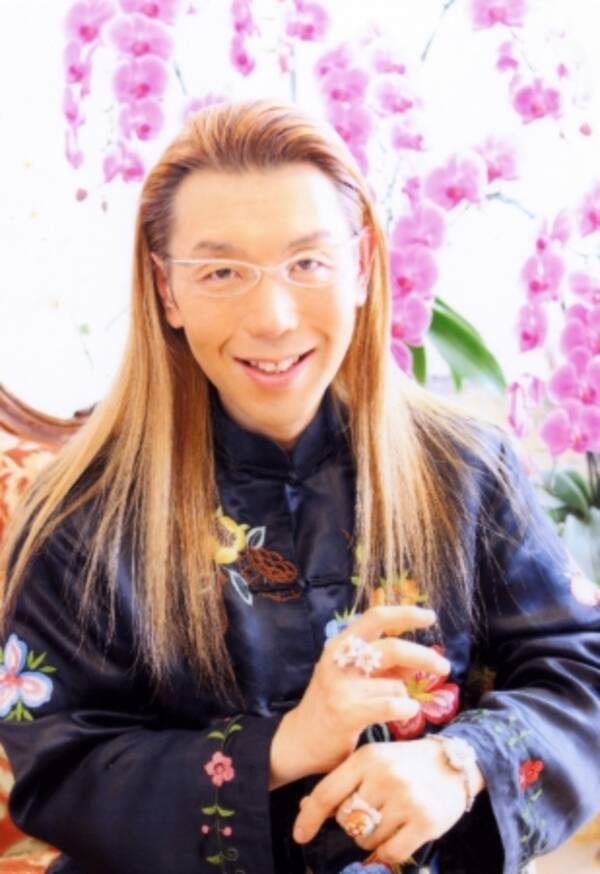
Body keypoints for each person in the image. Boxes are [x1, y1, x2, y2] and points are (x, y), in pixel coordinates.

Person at [0, 98, 598, 874]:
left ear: (363, 265)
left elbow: (581, 670)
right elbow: (57, 771)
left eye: (308, 262)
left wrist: (459, 763)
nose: (274, 317)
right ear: (166, 289)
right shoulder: (83, 514)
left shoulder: (466, 470)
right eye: (221, 272)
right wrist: (284, 745)